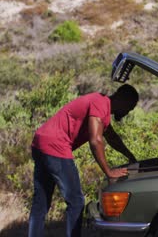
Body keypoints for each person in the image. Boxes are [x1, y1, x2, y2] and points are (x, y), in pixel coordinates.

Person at [28, 84, 139, 237]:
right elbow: (96, 140)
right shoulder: (100, 103)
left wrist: (130, 156)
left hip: (40, 143)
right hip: (55, 146)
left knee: (40, 202)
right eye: (130, 107)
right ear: (123, 99)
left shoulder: (102, 108)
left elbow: (112, 137)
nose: (129, 111)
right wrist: (109, 172)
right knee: (76, 202)